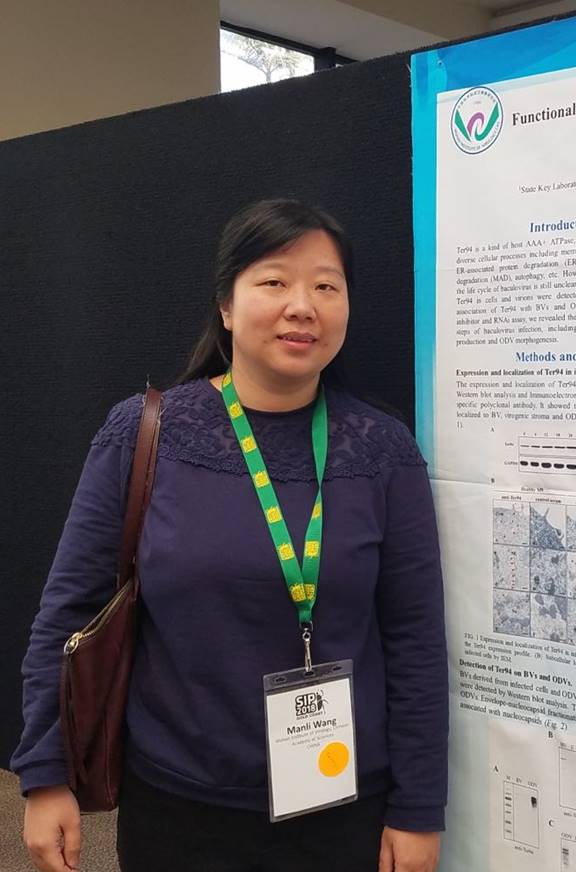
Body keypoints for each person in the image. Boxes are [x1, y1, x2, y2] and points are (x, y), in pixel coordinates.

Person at [12, 199, 448, 872]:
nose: (302, 306)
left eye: (326, 286)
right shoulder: (145, 434)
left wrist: (418, 808)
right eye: (274, 282)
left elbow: (416, 641)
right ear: (226, 305)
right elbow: (68, 612)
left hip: (343, 807)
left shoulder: (383, 452)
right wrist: (44, 774)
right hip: (179, 808)